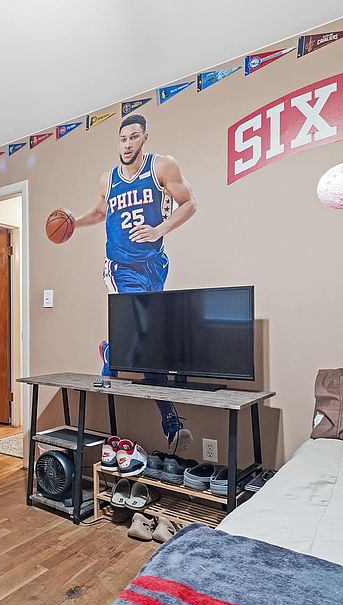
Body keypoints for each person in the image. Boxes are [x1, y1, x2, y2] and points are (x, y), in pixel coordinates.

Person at [69, 113, 198, 450]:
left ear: (145, 138)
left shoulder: (161, 167)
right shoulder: (108, 179)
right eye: (123, 139)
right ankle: (170, 420)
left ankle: (111, 350)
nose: (127, 144)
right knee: (144, 330)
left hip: (154, 263)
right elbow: (100, 213)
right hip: (120, 266)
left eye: (134, 137)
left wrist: (160, 229)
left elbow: (189, 203)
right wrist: (73, 223)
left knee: (151, 339)